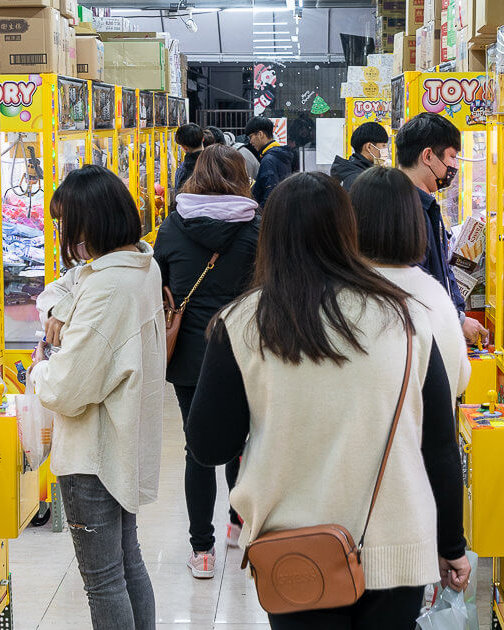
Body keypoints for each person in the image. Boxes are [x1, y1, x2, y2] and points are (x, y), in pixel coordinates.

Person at [186, 172, 470, 629]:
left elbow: (208, 446)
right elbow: (439, 443)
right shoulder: (408, 317)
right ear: (348, 231)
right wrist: (451, 545)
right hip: (395, 547)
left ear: (269, 236)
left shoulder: (241, 324)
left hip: (294, 552)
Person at [30, 164, 164, 630]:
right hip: (121, 444)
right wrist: (61, 313)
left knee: (103, 580)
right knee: (128, 564)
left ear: (93, 221)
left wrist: (42, 363)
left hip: (95, 455)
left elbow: (67, 388)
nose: (66, 235)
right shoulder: (139, 263)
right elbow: (62, 288)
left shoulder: (108, 286)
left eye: (67, 224)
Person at [154, 144, 260, 579]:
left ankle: (202, 551)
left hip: (191, 355)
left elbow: (158, 286)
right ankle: (239, 523)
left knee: (196, 449)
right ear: (241, 176)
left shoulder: (173, 227)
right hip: (245, 350)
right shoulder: (257, 226)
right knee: (242, 441)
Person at [350, 166, 470, 400]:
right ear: (414, 222)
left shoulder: (337, 291)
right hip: (419, 431)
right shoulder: (433, 294)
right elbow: (458, 380)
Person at [396, 112, 488, 345]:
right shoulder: (407, 210)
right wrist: (457, 320)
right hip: (424, 340)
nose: (454, 166)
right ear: (428, 156)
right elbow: (414, 283)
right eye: (452, 157)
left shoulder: (422, 204)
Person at [244, 116, 297, 205]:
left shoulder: (268, 159)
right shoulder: (280, 154)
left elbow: (270, 193)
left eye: (251, 137)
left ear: (260, 134)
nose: (250, 142)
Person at [330, 122, 390, 191]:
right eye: (383, 146)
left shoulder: (355, 170)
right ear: (369, 147)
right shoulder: (357, 179)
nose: (386, 150)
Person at [173, 123, 204, 194]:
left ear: (184, 147)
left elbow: (179, 195)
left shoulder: (184, 170)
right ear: (203, 139)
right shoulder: (214, 161)